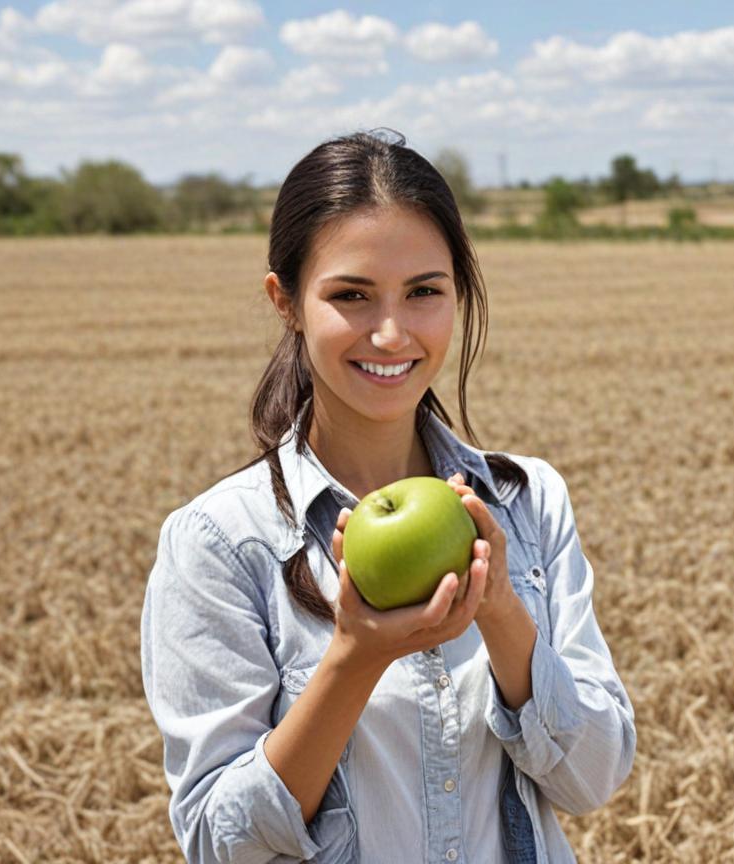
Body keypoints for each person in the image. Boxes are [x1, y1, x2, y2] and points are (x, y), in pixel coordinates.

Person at [140, 129, 636, 864]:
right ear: (287, 302)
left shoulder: (526, 503)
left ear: (458, 295)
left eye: (425, 292)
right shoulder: (221, 543)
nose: (392, 332)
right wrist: (352, 657)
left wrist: (500, 608)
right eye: (351, 295)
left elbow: (593, 778)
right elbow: (219, 842)